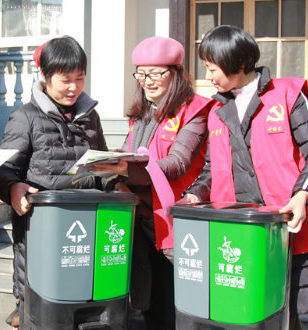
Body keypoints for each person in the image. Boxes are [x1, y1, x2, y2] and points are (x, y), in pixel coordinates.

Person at [180, 25, 308, 330]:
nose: (208, 76)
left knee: (289, 314)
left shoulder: (287, 96)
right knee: (242, 314)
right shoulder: (217, 111)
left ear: (237, 63)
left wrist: (301, 196)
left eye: (212, 68)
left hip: (285, 229)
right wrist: (195, 193)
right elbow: (212, 168)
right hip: (239, 236)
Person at [89, 36, 213, 330]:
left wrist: (123, 168)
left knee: (177, 307)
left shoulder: (194, 110)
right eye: (142, 73)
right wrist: (108, 161)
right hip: (142, 223)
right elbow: (128, 151)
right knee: (147, 307)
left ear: (177, 72)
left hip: (176, 225)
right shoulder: (141, 114)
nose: (148, 81)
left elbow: (177, 162)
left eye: (157, 73)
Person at [0, 36, 113, 329]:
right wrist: (11, 187)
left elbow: (103, 166)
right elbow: (2, 170)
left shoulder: (90, 117)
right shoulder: (25, 118)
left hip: (87, 233)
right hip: (41, 234)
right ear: (44, 77)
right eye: (65, 79)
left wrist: (115, 176)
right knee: (43, 310)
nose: (74, 87)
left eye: (80, 78)